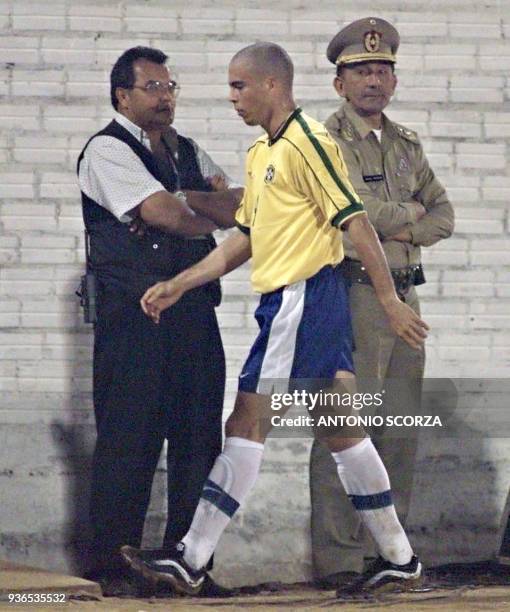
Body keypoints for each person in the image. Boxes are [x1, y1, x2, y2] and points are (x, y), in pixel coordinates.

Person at [120, 42, 429, 599]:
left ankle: (190, 557)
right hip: (294, 301)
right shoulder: (263, 151)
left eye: (239, 85)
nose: (231, 96)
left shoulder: (308, 141)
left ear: (270, 85)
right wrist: (180, 283)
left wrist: (388, 299)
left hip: (302, 299)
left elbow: (356, 224)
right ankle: (401, 560)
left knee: (246, 423)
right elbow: (248, 239)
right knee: (342, 430)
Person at [76, 46, 242, 597]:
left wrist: (198, 205)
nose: (166, 96)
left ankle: (187, 564)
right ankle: (111, 568)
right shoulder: (105, 150)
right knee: (130, 438)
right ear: (123, 95)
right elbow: (165, 215)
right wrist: (201, 212)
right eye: (153, 87)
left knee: (199, 438)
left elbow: (241, 205)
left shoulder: (188, 149)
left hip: (193, 310)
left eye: (170, 87)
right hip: (134, 316)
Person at [309, 17, 454, 589]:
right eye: (360, 71)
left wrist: (408, 221)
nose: (373, 80)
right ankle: (340, 560)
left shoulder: (406, 143)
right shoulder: (326, 142)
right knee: (347, 430)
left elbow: (444, 213)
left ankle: (386, 556)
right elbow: (357, 216)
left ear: (393, 80)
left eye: (381, 70)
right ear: (339, 83)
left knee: (398, 429)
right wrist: (410, 215)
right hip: (354, 297)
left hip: (406, 297)